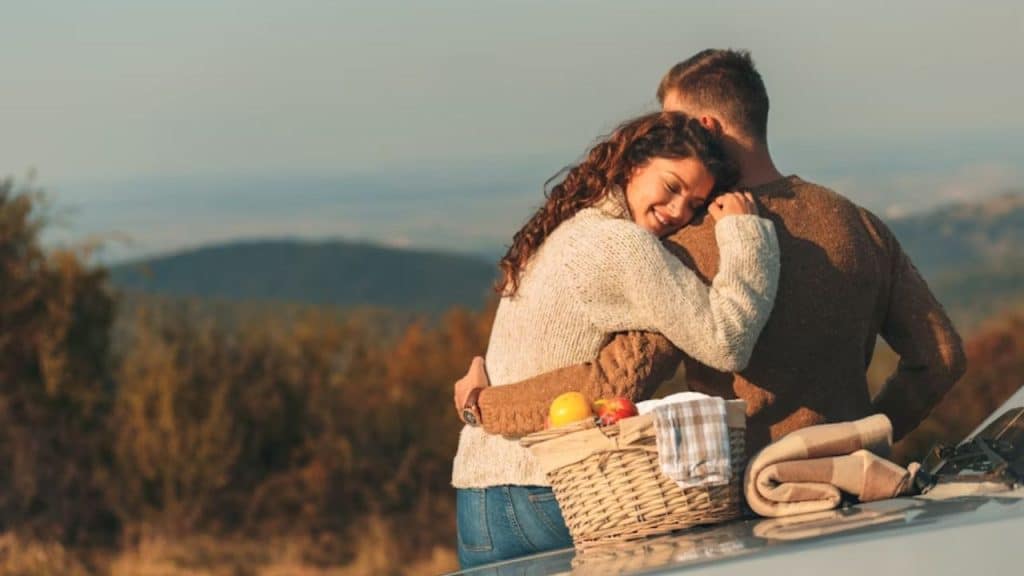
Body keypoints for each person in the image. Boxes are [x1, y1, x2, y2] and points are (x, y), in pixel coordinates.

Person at [454, 49, 966, 458]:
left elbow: (615, 380)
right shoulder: (859, 222)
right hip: (863, 486)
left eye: (673, 124)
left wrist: (487, 405)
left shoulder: (693, 241)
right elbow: (940, 356)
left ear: (705, 126)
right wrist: (864, 437)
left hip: (747, 507)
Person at [450, 111, 781, 568]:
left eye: (694, 203)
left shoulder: (569, 229)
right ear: (633, 166)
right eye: (671, 187)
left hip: (478, 496)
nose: (678, 211)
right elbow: (726, 341)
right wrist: (747, 236)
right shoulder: (622, 246)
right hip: (551, 490)